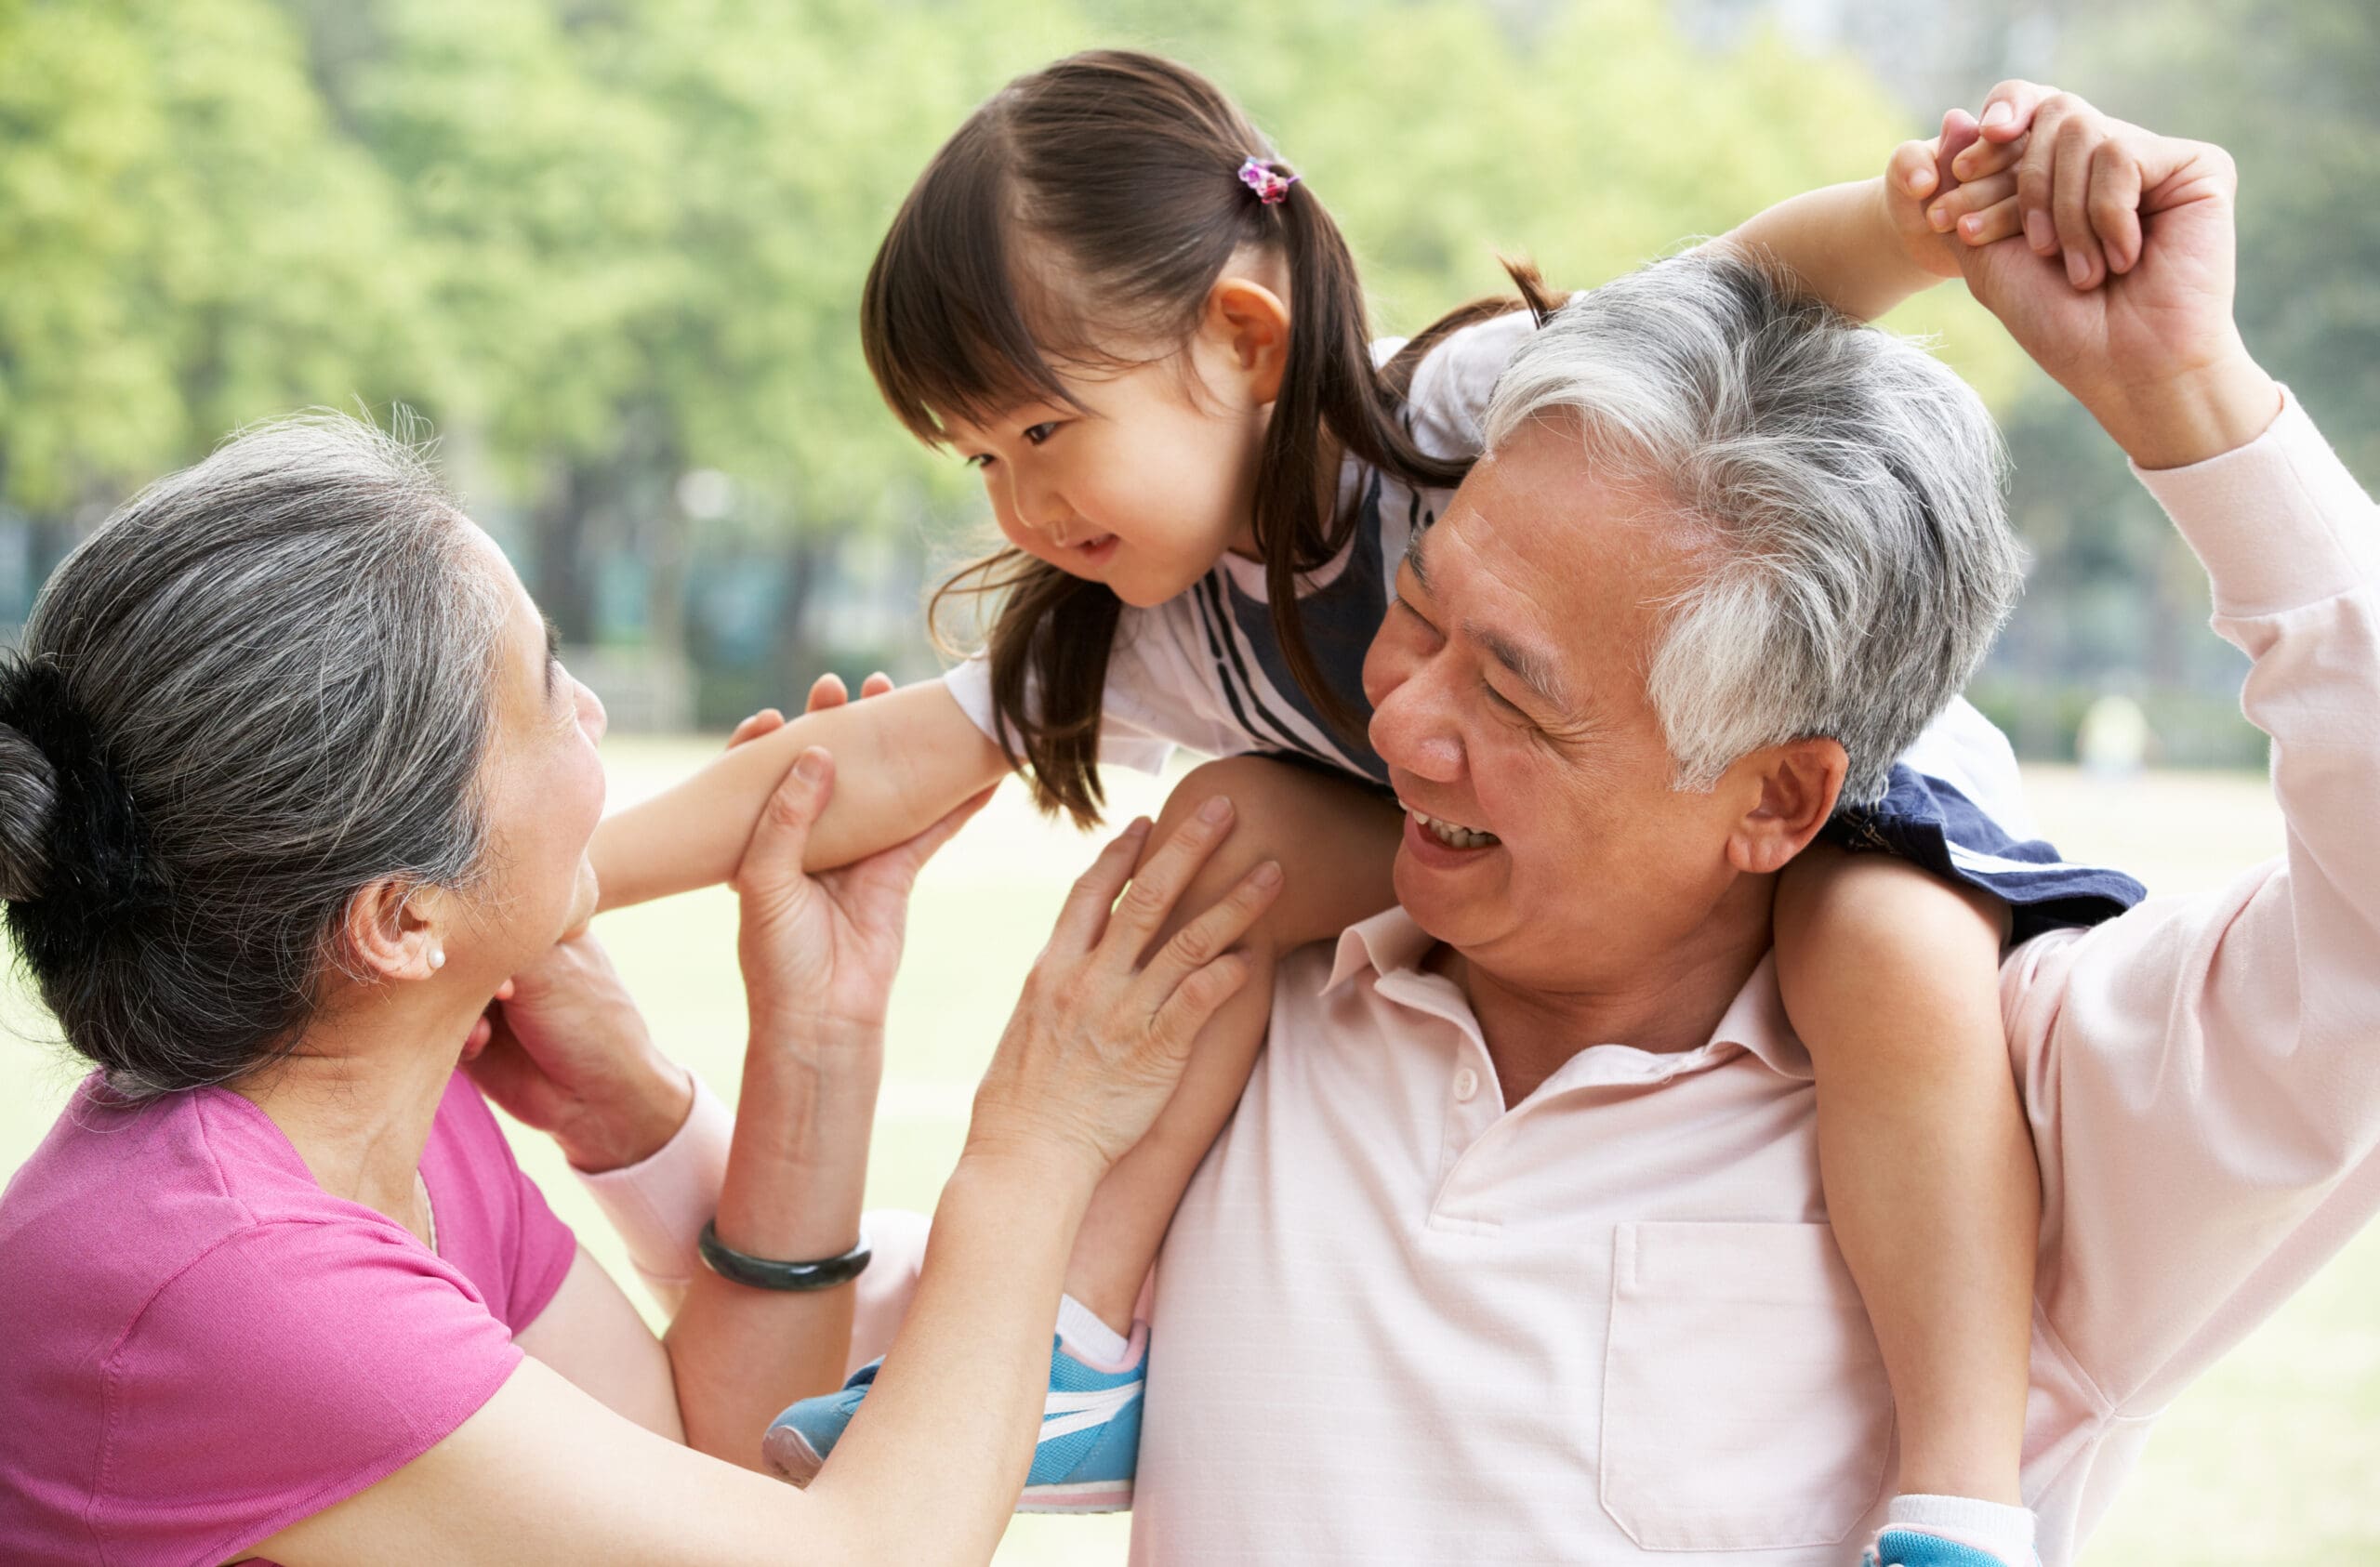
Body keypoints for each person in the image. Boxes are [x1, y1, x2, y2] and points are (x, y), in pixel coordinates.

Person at [594, 51, 2138, 1522]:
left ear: (1244, 339)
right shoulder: (1167, 620)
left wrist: (1913, 224)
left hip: (1818, 770)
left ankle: (1958, 1493)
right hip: (1520, 827)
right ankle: (1083, 1337)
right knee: (1213, 850)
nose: (1020, 500)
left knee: (1882, 947)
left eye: (1046, 429)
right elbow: (867, 764)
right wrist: (555, 880)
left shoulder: (1456, 411)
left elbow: (1742, 288)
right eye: (978, 460)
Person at [0, 415, 1283, 1566]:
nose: (597, 713)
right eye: (549, 689)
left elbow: (707, 1461)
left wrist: (815, 1040)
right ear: (398, 919)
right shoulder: (230, 1277)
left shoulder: (371, 1113)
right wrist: (1040, 1146)